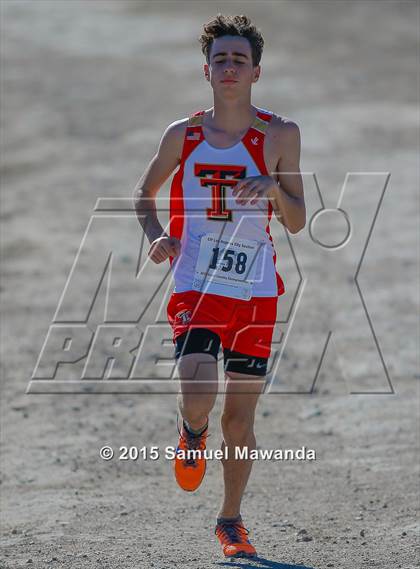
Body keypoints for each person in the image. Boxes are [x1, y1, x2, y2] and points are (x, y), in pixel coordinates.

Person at [134, 13, 305, 560]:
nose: (229, 67)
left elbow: (298, 220)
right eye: (220, 59)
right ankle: (190, 433)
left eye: (240, 59)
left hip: (255, 291)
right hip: (195, 283)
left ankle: (230, 521)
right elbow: (144, 195)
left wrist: (274, 187)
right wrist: (157, 235)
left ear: (256, 71)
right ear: (206, 69)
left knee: (240, 420)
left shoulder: (280, 135)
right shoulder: (181, 135)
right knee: (199, 395)